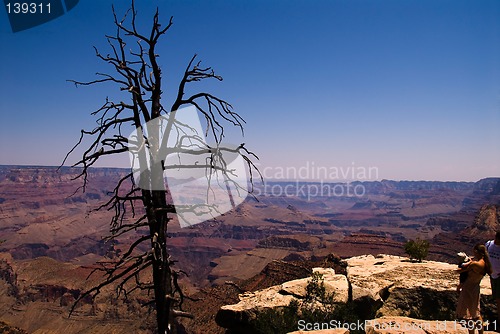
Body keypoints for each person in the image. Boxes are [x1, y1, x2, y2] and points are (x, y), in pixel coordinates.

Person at [456, 244, 492, 334]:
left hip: (468, 289)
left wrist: (466, 263)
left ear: (476, 251)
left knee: (468, 316)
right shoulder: (485, 263)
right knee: (476, 313)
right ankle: (481, 333)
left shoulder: (475, 264)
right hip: (476, 288)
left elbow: (459, 271)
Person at [486, 232, 500, 326]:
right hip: (492, 276)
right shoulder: (489, 244)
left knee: (499, 300)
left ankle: (499, 323)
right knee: (497, 299)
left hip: (499, 277)